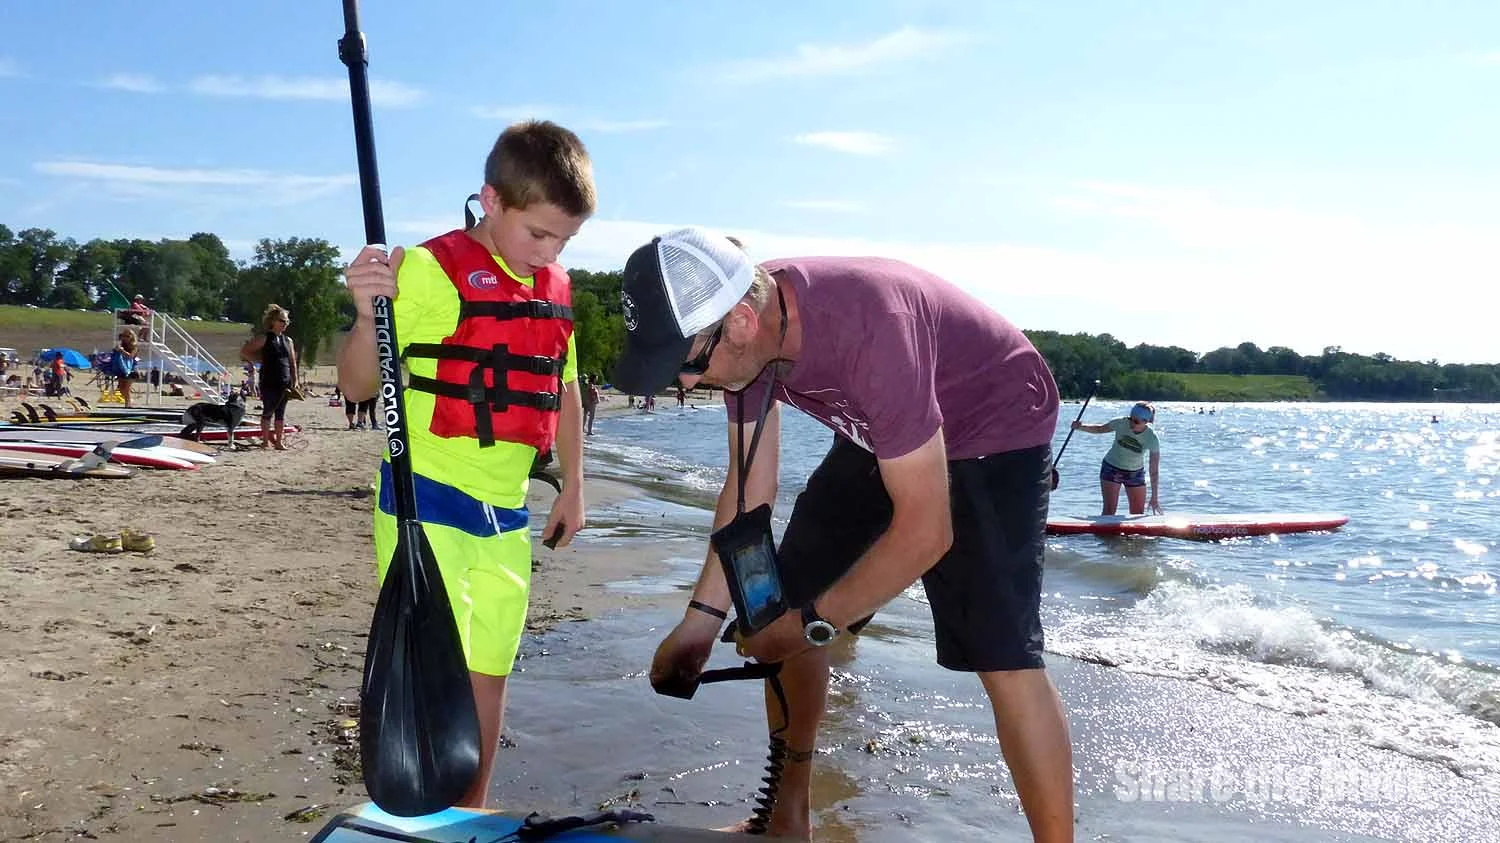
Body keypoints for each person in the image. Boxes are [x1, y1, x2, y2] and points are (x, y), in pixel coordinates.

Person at [616, 228, 1073, 842]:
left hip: (994, 422)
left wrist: (810, 625)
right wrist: (700, 623)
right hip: (885, 426)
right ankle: (787, 820)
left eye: (690, 364)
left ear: (742, 322)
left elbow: (926, 533)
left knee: (1003, 654)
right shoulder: (744, 339)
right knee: (777, 604)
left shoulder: (867, 331)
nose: (689, 384)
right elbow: (748, 489)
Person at [336, 120, 594, 809]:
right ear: (491, 200)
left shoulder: (555, 287)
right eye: (538, 234)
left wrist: (574, 484)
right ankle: (424, 811)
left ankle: (469, 812)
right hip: (427, 504)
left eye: (564, 240)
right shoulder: (428, 270)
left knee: (490, 672)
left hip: (505, 515)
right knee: (437, 674)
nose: (549, 252)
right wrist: (366, 316)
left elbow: (565, 388)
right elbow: (357, 386)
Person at [1070, 401, 1161, 516]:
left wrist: (1154, 497)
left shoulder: (1152, 438)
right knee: (1109, 512)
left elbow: (1154, 470)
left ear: (1146, 421)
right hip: (1111, 468)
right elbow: (1100, 429)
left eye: (1136, 421)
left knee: (1137, 513)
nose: (1131, 423)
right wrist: (1080, 427)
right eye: (1130, 418)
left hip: (1135, 474)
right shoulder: (1121, 423)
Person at [240, 304, 298, 450]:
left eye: (286, 321)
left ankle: (279, 442)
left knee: (280, 413)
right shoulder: (264, 338)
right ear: (273, 321)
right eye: (281, 320)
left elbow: (292, 362)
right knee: (268, 411)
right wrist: (259, 360)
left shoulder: (288, 341)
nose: (285, 323)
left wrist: (295, 380)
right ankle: (265, 441)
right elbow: (245, 351)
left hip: (285, 381)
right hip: (268, 380)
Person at [110, 329, 139, 407]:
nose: (125, 338)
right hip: (121, 368)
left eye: (127, 336)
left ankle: (128, 404)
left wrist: (122, 351)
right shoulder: (121, 344)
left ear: (132, 337)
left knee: (127, 387)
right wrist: (116, 349)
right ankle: (128, 401)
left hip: (131, 368)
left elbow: (131, 356)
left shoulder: (134, 346)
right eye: (123, 336)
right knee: (121, 388)